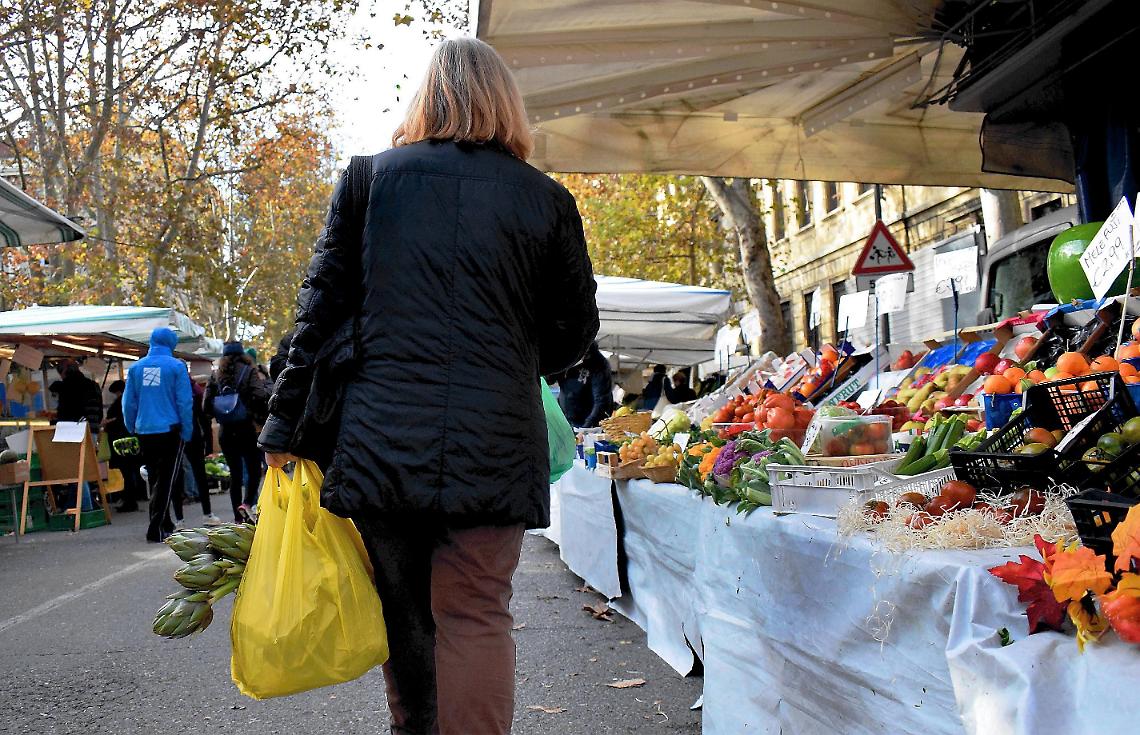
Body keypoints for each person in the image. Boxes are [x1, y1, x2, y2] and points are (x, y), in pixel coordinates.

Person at [258, 38, 598, 735]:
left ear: (424, 100)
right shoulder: (546, 200)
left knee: (404, 611)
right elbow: (575, 332)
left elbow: (316, 312)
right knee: (475, 611)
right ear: (507, 106)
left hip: (384, 437)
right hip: (497, 440)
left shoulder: (368, 181)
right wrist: (518, 354)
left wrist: (281, 428)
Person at [122, 328, 193, 543]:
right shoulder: (176, 366)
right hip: (170, 429)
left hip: (145, 429)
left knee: (154, 478)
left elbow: (128, 403)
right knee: (168, 479)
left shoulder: (136, 368)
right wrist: (187, 430)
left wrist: (131, 426)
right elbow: (184, 402)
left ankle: (165, 522)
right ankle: (156, 526)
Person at [204, 341, 269, 523]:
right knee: (254, 469)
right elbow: (260, 395)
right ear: (242, 354)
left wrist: (221, 412)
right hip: (246, 428)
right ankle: (247, 503)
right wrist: (253, 412)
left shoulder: (216, 375)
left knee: (235, 473)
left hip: (225, 431)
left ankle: (237, 517)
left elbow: (206, 404)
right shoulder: (249, 371)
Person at [172, 378, 222, 526]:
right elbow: (204, 418)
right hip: (194, 436)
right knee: (200, 476)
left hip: (174, 436)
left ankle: (179, 520)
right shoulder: (194, 391)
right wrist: (208, 442)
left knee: (176, 478)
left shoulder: (170, 392)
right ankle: (207, 514)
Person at [103, 380, 144, 513]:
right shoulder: (132, 400)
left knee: (126, 471)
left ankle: (130, 501)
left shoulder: (120, 403)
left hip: (121, 442)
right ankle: (134, 497)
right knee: (131, 470)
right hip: (131, 440)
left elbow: (117, 420)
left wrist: (108, 423)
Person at [556, 343, 613, 427]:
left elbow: (601, 400)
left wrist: (586, 427)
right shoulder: (569, 357)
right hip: (566, 418)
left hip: (586, 421)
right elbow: (550, 379)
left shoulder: (599, 365)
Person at [53, 359, 104, 430]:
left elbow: (65, 412)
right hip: (92, 427)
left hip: (74, 429)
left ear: (64, 372)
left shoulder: (67, 387)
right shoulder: (93, 385)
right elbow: (100, 411)